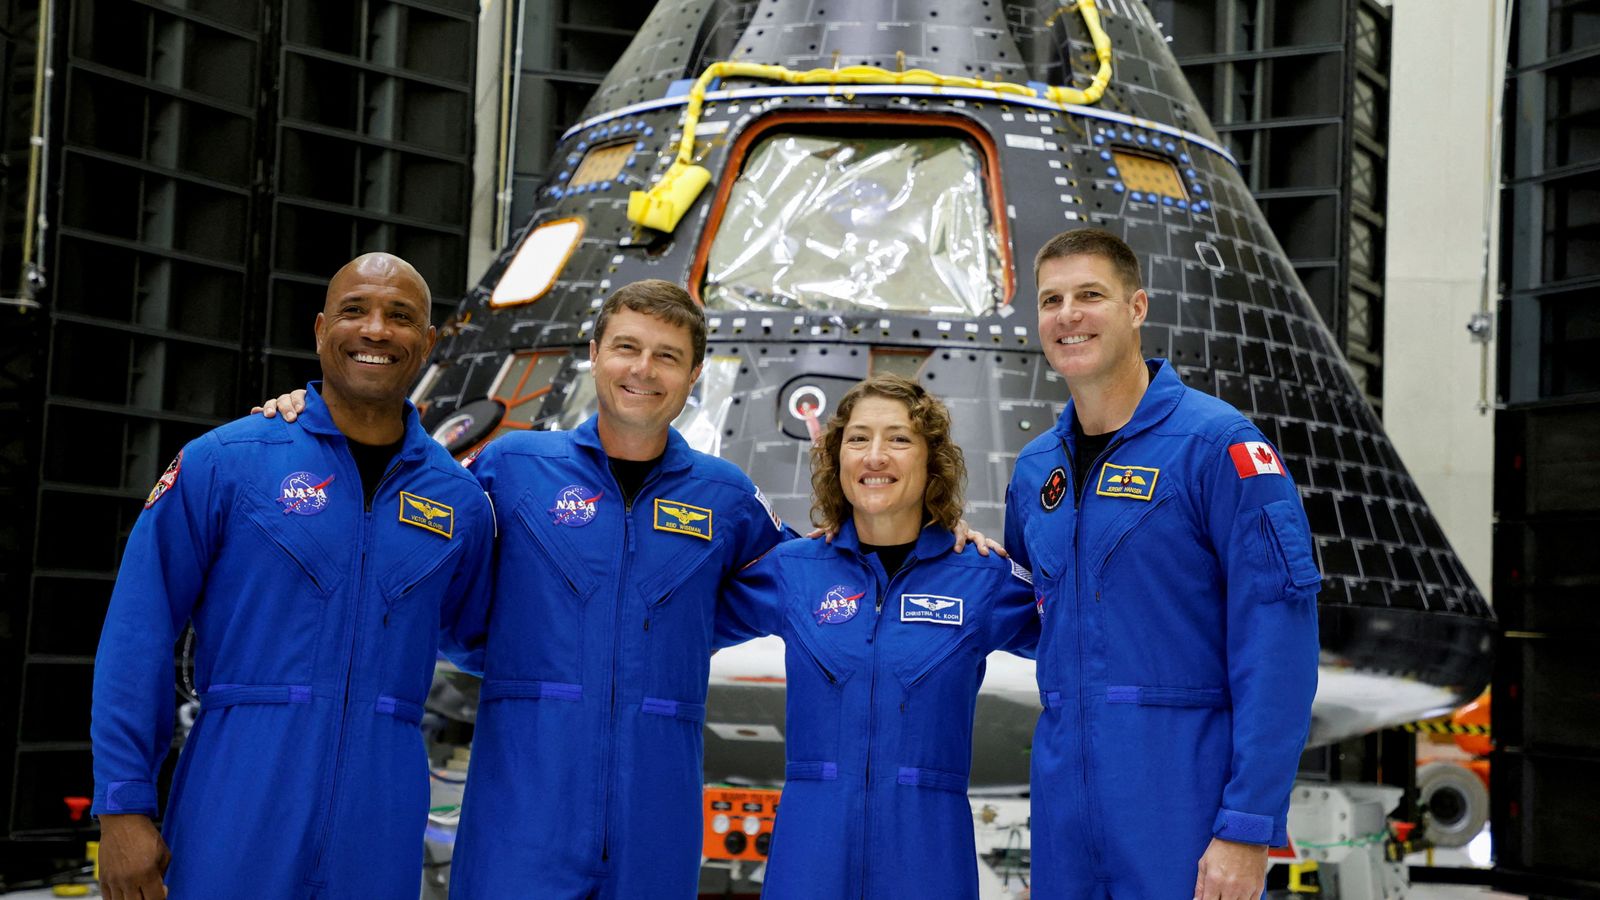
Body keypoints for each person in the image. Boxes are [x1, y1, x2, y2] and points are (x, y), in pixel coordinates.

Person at [259, 279, 996, 898]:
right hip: (525, 803)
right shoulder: (512, 467)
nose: (644, 370)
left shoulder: (724, 499)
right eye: (627, 348)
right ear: (593, 356)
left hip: (655, 809)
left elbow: (825, 574)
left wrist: (946, 534)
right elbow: (406, 514)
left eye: (668, 357)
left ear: (693, 376)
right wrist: (314, 416)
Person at [90, 253, 495, 899]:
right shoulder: (226, 463)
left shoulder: (461, 502)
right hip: (238, 785)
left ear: (429, 342)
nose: (375, 330)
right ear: (319, 329)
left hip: (382, 805)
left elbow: (484, 639)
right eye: (354, 310)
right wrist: (122, 806)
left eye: (400, 316)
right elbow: (136, 636)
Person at [1002, 228, 1320, 900]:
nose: (1069, 315)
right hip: (1067, 814)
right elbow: (1032, 615)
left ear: (1138, 307)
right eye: (1052, 300)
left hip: (1183, 806)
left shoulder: (1218, 448)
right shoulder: (1036, 471)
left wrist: (1246, 826)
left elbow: (1278, 649)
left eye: (1091, 295)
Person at [715, 374, 1038, 899]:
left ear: (931, 461)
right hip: (809, 853)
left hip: (928, 857)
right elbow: (676, 624)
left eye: (900, 439)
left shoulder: (982, 576)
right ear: (837, 456)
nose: (875, 456)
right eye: (859, 438)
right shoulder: (792, 570)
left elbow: (1084, 643)